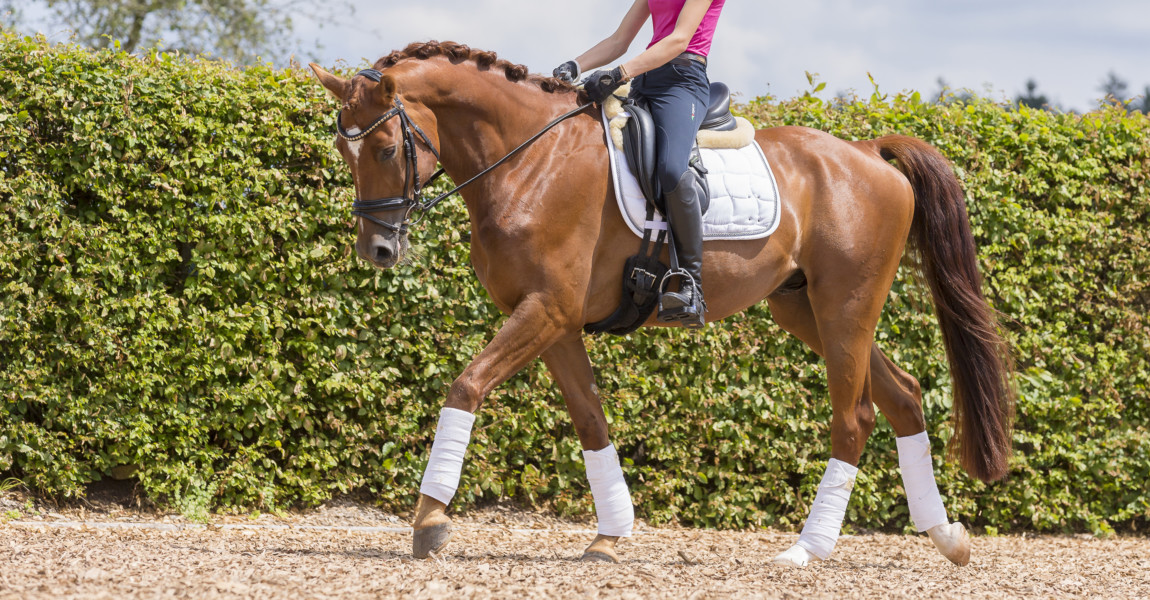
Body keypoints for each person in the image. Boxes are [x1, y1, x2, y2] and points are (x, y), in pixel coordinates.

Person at [554, 0, 725, 330]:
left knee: (673, 170)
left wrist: (618, 74)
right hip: (644, 82)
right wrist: (575, 65)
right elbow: (620, 40)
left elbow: (678, 39)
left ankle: (692, 285)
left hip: (682, 81)